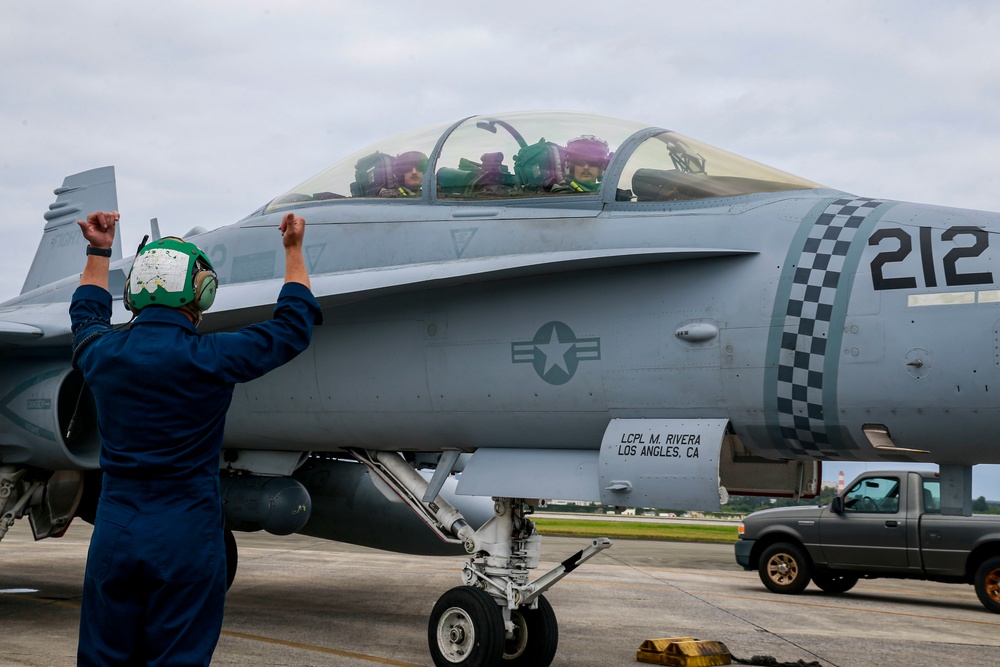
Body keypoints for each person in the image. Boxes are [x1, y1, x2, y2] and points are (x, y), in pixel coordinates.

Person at [71, 210, 321, 666]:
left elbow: (85, 312)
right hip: (186, 531)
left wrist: (98, 250)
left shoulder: (100, 353)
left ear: (133, 294)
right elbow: (292, 326)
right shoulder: (212, 357)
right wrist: (293, 251)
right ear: (201, 292)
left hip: (115, 529)